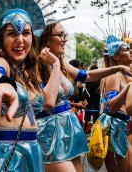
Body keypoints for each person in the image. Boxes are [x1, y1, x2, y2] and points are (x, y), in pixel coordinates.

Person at [36, 19, 132, 172]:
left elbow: (86, 75)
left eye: (65, 34)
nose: (65, 39)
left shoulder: (61, 63)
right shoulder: (36, 65)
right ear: (46, 38)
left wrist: (117, 68)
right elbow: (48, 101)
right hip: (50, 132)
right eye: (60, 35)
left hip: (68, 128)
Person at [0, 0, 60, 171]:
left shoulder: (25, 74)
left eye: (26, 33)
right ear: (1, 39)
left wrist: (56, 64)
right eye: (12, 33)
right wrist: (2, 86)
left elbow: (48, 102)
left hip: (32, 152)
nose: (20, 40)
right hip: (5, 156)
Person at [98, 35, 132, 172]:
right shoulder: (114, 75)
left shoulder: (124, 75)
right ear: (115, 57)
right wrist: (129, 87)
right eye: (126, 49)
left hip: (123, 127)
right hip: (114, 129)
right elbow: (111, 105)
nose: (130, 51)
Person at [84, 65, 101, 132]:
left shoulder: (88, 78)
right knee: (95, 117)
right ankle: (94, 130)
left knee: (88, 116)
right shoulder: (99, 78)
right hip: (95, 100)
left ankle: (87, 129)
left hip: (89, 99)